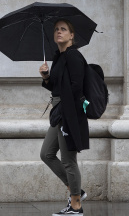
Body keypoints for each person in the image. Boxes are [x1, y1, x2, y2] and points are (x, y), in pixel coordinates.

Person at [39, 19, 90, 216]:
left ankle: (76, 205)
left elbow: (78, 87)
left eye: (63, 29)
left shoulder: (74, 56)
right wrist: (46, 77)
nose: (59, 32)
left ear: (71, 35)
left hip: (68, 112)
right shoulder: (58, 58)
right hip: (59, 110)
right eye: (56, 30)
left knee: (68, 160)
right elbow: (57, 87)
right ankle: (77, 190)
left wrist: (67, 112)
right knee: (46, 154)